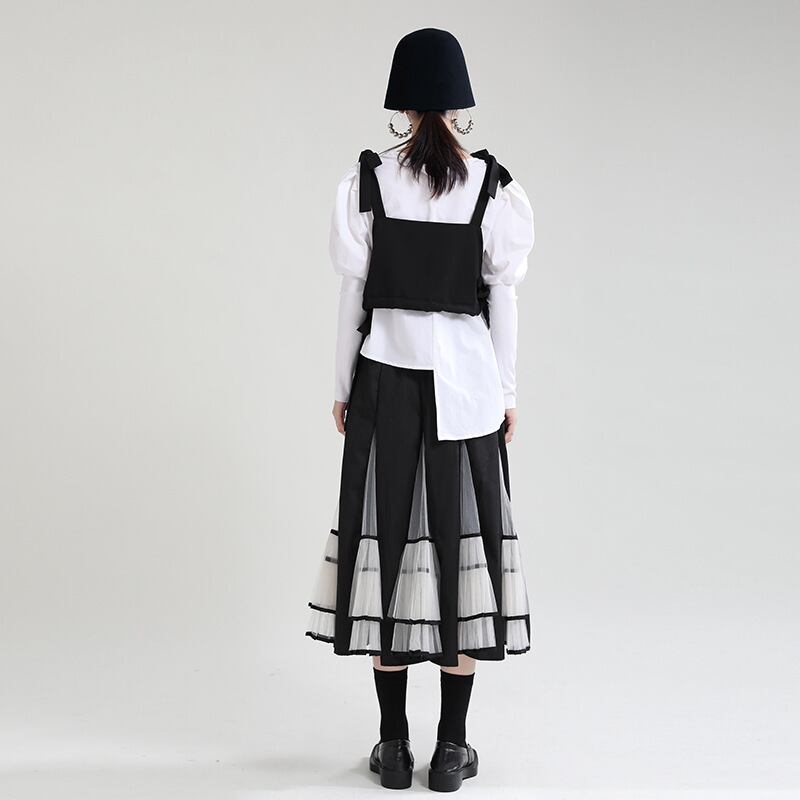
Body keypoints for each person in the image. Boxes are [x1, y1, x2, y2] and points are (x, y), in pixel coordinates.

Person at [305, 27, 535, 792]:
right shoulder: (493, 186)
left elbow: (353, 297)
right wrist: (507, 394)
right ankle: (452, 750)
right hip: (467, 393)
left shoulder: (368, 181)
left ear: (402, 106)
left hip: (386, 383)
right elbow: (503, 299)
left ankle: (394, 747)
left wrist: (343, 388)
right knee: (461, 559)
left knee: (388, 552)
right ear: (460, 105)